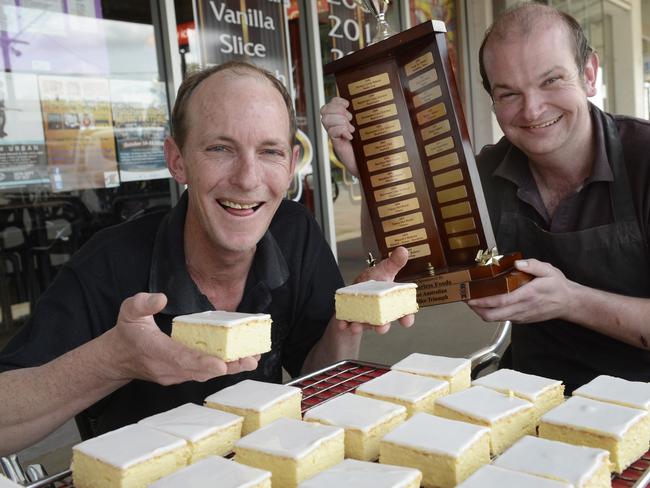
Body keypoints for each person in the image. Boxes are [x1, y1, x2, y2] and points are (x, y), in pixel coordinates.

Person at [0, 61, 414, 455]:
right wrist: (112, 360)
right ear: (177, 160)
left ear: (290, 166)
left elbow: (314, 375)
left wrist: (345, 324)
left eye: (269, 151)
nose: (248, 178)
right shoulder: (109, 262)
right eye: (220, 148)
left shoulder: (295, 232)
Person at [320, 3, 650, 393]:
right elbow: (400, 264)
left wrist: (570, 301)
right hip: (532, 393)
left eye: (551, 81)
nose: (532, 109)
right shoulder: (484, 173)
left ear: (590, 74)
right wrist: (373, 172)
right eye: (509, 93)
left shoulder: (643, 159)